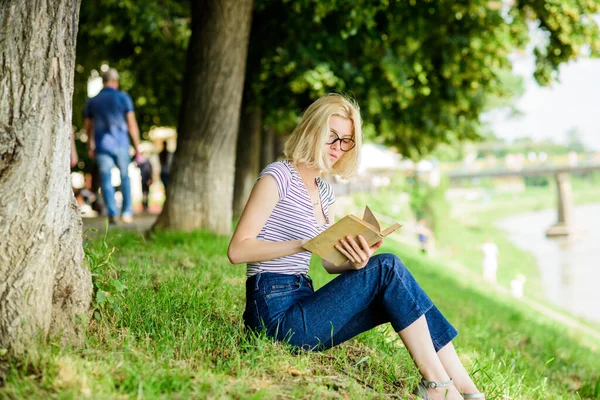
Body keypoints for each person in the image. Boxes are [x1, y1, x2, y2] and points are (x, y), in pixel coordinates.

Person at [227, 94, 485, 400]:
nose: (338, 147)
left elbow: (327, 261)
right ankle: (439, 386)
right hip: (273, 313)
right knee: (389, 268)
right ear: (312, 131)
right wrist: (299, 244)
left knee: (392, 283)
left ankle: (467, 389)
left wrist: (356, 260)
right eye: (332, 137)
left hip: (303, 301)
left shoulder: (324, 192)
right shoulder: (277, 177)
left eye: (346, 141)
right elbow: (237, 250)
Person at [84, 68, 141, 225]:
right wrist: (137, 147)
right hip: (122, 143)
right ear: (116, 82)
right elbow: (131, 124)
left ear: (103, 82)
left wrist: (90, 144)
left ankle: (112, 213)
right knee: (125, 177)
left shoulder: (93, 101)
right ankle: (127, 211)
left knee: (106, 180)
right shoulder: (123, 98)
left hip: (102, 145)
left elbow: (88, 126)